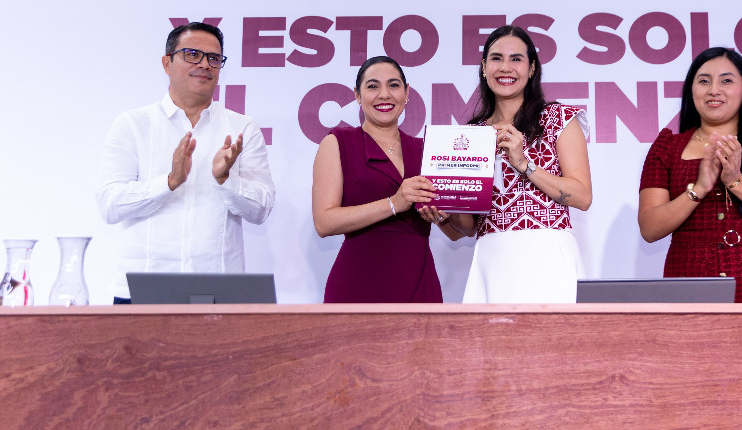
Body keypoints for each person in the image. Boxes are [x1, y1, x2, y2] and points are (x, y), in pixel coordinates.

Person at [97, 22, 276, 303]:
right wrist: (169, 182)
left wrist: (226, 180)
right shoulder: (133, 124)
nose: (204, 64)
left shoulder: (242, 128)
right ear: (167, 63)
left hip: (220, 293)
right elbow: (110, 205)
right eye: (192, 54)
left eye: (213, 58)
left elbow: (260, 210)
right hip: (142, 291)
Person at [420, 26, 593, 303]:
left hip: (548, 258)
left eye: (516, 59)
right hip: (493, 260)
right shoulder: (472, 135)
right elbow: (468, 228)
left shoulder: (558, 118)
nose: (505, 68)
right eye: (496, 58)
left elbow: (582, 197)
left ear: (532, 68)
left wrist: (524, 163)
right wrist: (443, 214)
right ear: (484, 67)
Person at [638, 47, 742, 303]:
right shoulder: (667, 147)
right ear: (691, 91)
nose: (714, 90)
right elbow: (649, 228)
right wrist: (698, 189)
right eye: (703, 81)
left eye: (726, 81)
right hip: (690, 287)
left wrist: (736, 181)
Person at [312, 56, 458, 303]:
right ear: (357, 95)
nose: (384, 95)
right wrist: (394, 203)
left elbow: (457, 233)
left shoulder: (426, 149)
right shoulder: (338, 142)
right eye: (372, 86)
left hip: (419, 283)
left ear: (406, 93)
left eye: (393, 85)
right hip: (358, 283)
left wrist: (442, 216)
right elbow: (324, 223)